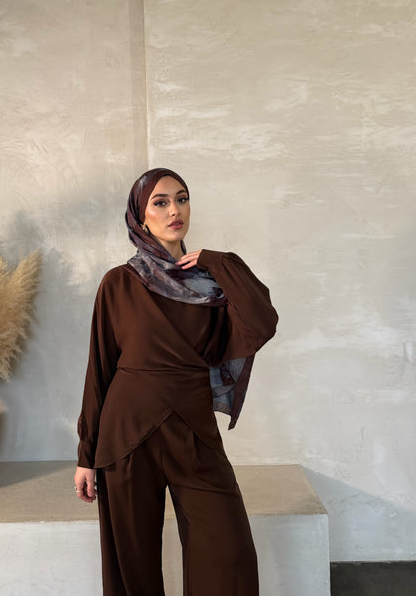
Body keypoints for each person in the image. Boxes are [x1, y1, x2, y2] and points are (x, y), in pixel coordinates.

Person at [74, 168, 278, 596]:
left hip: (193, 428)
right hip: (127, 434)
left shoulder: (213, 284)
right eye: (161, 202)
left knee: (229, 553)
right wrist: (86, 455)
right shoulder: (119, 283)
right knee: (132, 567)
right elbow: (100, 368)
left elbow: (262, 323)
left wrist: (219, 261)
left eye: (181, 199)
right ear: (141, 217)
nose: (174, 210)